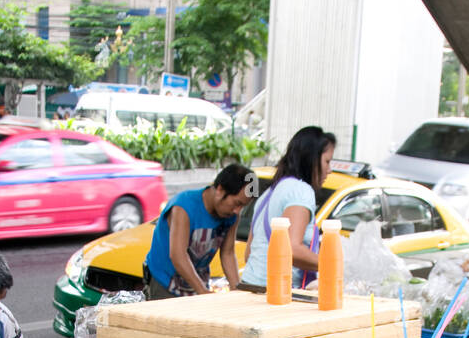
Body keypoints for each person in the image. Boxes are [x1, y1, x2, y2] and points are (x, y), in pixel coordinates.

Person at [239, 125, 336, 293]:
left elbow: (249, 253)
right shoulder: (300, 191)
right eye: (327, 161)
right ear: (312, 159)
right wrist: (336, 264)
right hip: (272, 294)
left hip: (249, 286)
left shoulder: (268, 193)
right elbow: (291, 249)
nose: (329, 170)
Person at [142, 163, 254, 299]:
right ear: (220, 190)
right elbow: (178, 255)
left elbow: (228, 254)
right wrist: (202, 292)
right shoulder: (183, 207)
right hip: (164, 283)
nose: (237, 211)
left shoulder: (232, 216)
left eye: (243, 206)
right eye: (237, 203)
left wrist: (237, 290)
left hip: (197, 283)